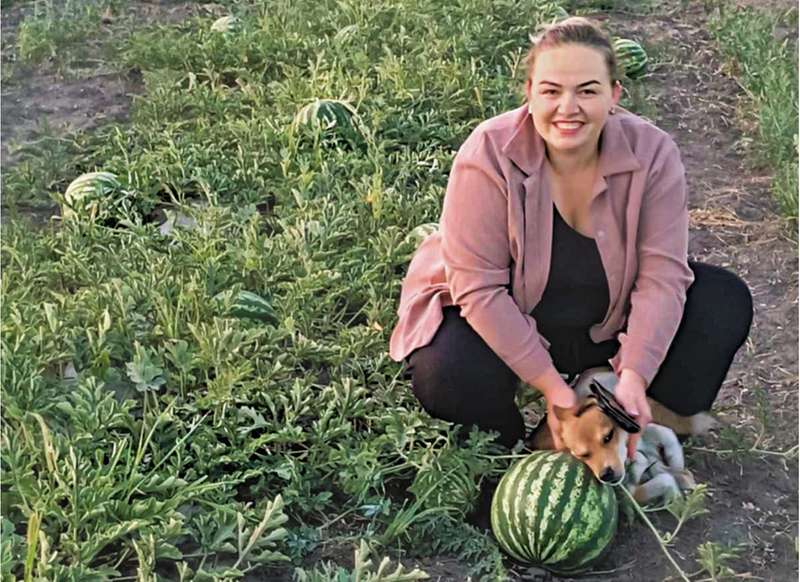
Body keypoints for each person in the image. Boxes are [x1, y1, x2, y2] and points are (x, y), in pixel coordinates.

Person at [388, 16, 753, 464]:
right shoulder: (487, 153)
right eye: (551, 91)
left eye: (587, 90)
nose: (568, 107)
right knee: (444, 370)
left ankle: (617, 412)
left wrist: (635, 376)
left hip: (605, 315)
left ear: (615, 94)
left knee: (721, 301)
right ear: (529, 92)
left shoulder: (653, 154)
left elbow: (661, 276)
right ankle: (520, 452)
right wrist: (552, 388)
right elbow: (478, 289)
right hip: (508, 314)